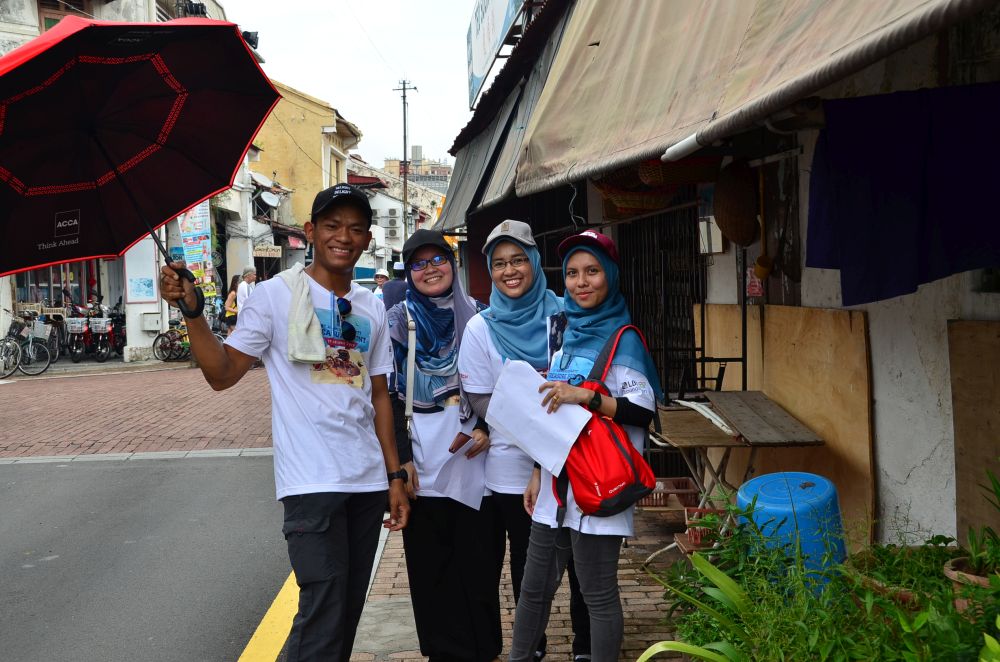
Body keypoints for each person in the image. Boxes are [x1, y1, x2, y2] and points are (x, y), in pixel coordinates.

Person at [159, 183, 410, 662]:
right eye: (333, 226)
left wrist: (394, 475)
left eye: (356, 228)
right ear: (311, 232)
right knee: (322, 609)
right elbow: (223, 373)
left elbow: (379, 396)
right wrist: (193, 313)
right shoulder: (274, 296)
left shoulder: (371, 304)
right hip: (310, 482)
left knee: (345, 615)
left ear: (368, 237)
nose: (344, 236)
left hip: (366, 481)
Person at [509, 230, 662, 662]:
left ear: (609, 275)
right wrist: (537, 471)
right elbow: (549, 408)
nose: (581, 282)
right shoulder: (563, 330)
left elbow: (643, 413)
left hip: (601, 484)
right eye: (573, 273)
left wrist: (588, 397)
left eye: (592, 271)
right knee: (533, 589)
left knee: (597, 594)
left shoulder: (625, 337)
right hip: (557, 484)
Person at [457, 219, 592, 661]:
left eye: (518, 260)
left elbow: (587, 379)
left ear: (534, 261)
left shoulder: (565, 314)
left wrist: (530, 405)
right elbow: (477, 397)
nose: (509, 271)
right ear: (490, 271)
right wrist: (530, 419)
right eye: (498, 264)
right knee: (528, 561)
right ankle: (530, 647)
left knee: (579, 558)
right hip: (511, 468)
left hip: (575, 457)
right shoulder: (481, 328)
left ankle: (586, 645)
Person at [386, 229, 501, 662]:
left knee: (481, 565)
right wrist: (403, 459)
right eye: (419, 263)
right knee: (431, 569)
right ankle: (443, 653)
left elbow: (499, 385)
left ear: (452, 265)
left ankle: (483, 650)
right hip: (424, 464)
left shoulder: (481, 316)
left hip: (475, 463)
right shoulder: (395, 320)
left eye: (438, 260)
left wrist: (488, 426)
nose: (430, 269)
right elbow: (386, 394)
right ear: (408, 271)